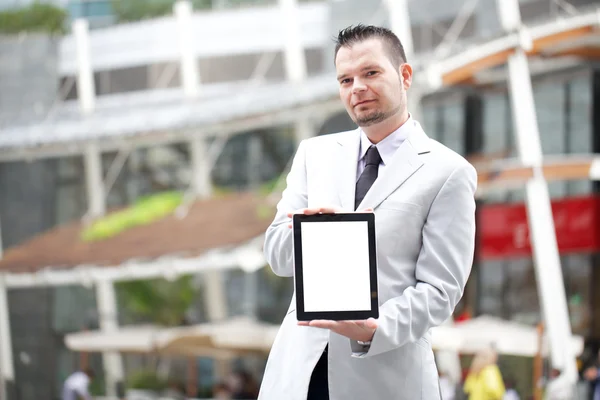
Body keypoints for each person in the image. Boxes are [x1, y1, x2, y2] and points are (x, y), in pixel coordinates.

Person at [258, 24, 477, 400]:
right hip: (301, 372)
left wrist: (373, 328)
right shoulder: (315, 154)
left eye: (370, 73)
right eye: (345, 79)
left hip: (387, 375)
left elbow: (441, 291)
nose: (357, 87)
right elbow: (278, 256)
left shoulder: (448, 171)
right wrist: (312, 231)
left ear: (404, 75)